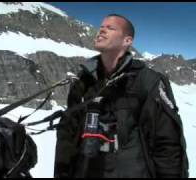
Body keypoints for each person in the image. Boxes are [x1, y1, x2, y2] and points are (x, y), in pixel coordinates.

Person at [54, 14, 189, 178]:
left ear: (127, 41)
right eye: (101, 27)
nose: (101, 30)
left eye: (110, 28)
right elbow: (68, 135)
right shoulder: (83, 80)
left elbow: (167, 144)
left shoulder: (147, 81)